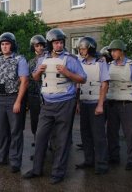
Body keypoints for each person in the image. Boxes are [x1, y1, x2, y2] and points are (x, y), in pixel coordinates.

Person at [23, 28, 86, 185]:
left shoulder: (70, 59)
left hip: (65, 103)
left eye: (61, 43)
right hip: (47, 104)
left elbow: (82, 79)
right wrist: (38, 72)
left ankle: (58, 172)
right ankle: (37, 169)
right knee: (40, 136)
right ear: (50, 44)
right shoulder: (41, 59)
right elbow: (35, 78)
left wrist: (67, 72)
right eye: (56, 43)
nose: (59, 45)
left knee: (62, 140)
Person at [0, 32, 29, 173]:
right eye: (2, 44)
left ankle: (15, 161)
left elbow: (24, 81)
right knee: (1, 130)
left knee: (15, 131)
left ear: (12, 44)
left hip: (13, 98)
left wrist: (18, 101)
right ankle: (0, 157)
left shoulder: (19, 59)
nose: (5, 47)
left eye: (7, 44)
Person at [106, 39, 132, 170]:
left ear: (121, 51)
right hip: (112, 102)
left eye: (114, 51)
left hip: (126, 103)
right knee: (111, 132)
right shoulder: (109, 65)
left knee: (130, 132)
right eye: (111, 51)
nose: (112, 53)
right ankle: (114, 156)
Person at [76, 37, 109, 175]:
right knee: (85, 133)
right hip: (84, 101)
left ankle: (101, 164)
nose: (81, 51)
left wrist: (100, 105)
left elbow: (105, 84)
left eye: (83, 48)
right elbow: (77, 84)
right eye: (80, 49)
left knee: (99, 135)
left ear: (90, 48)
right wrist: (77, 102)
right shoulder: (79, 62)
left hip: (96, 102)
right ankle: (89, 160)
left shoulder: (101, 63)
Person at [27, 35, 46, 159]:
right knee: (35, 121)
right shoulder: (31, 61)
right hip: (33, 95)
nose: (39, 48)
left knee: (47, 122)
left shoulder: (49, 59)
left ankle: (46, 144)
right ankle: (37, 140)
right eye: (37, 46)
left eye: (41, 45)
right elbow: (28, 78)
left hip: (46, 95)